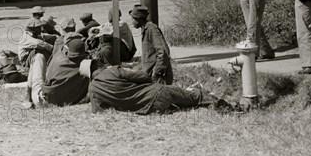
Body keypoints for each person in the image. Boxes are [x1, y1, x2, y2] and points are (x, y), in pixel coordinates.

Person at [80, 59, 232, 114]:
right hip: (158, 94)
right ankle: (228, 107)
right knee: (196, 97)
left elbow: (98, 111)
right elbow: (144, 77)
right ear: (98, 64)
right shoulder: (113, 71)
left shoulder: (93, 89)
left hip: (150, 110)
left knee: (184, 106)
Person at [129, 4, 173, 85]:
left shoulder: (152, 29)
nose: (131, 21)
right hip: (150, 75)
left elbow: (163, 52)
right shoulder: (145, 29)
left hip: (159, 77)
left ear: (138, 19)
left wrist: (156, 72)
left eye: (132, 19)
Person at [42, 33, 90, 106]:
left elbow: (48, 82)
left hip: (48, 97)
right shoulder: (85, 65)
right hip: (65, 99)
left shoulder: (58, 57)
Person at [18, 18, 54, 107]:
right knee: (40, 53)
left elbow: (44, 36)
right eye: (39, 28)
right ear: (32, 29)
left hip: (31, 58)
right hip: (26, 61)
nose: (41, 29)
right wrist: (54, 48)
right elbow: (40, 43)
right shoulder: (27, 38)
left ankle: (29, 96)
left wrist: (56, 37)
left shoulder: (33, 34)